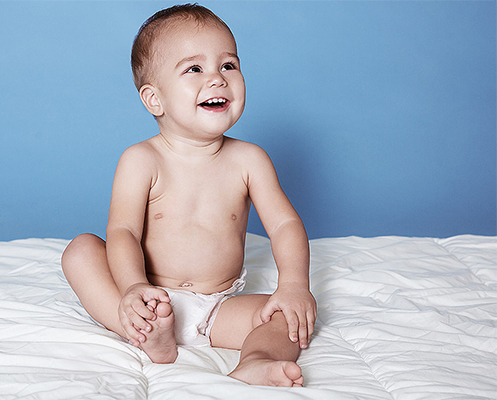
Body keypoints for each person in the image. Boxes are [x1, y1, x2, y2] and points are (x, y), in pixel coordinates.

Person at [61, 4, 317, 387]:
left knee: (287, 316)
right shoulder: (141, 159)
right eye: (195, 69)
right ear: (154, 99)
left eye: (228, 65)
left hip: (218, 307)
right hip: (149, 295)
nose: (217, 79)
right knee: (81, 251)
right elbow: (123, 232)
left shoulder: (250, 160)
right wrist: (133, 288)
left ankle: (257, 361)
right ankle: (143, 330)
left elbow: (284, 225)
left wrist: (294, 285)